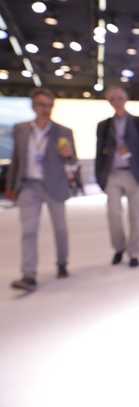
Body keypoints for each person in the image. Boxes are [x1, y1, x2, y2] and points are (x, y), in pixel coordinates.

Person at [5, 88, 77, 291]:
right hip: (29, 185)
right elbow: (16, 158)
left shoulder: (63, 131)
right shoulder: (20, 129)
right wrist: (10, 185)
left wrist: (67, 154)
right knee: (29, 230)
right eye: (42, 105)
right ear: (33, 106)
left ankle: (62, 263)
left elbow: (72, 161)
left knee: (60, 228)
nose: (46, 109)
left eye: (49, 105)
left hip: (54, 184)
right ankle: (28, 275)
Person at [95, 86, 139, 268]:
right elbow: (99, 152)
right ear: (109, 102)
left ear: (126, 99)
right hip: (113, 174)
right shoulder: (104, 125)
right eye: (113, 99)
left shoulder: (138, 122)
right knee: (113, 214)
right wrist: (99, 176)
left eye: (120, 98)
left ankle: (134, 252)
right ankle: (119, 248)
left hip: (134, 174)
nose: (117, 102)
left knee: (135, 216)